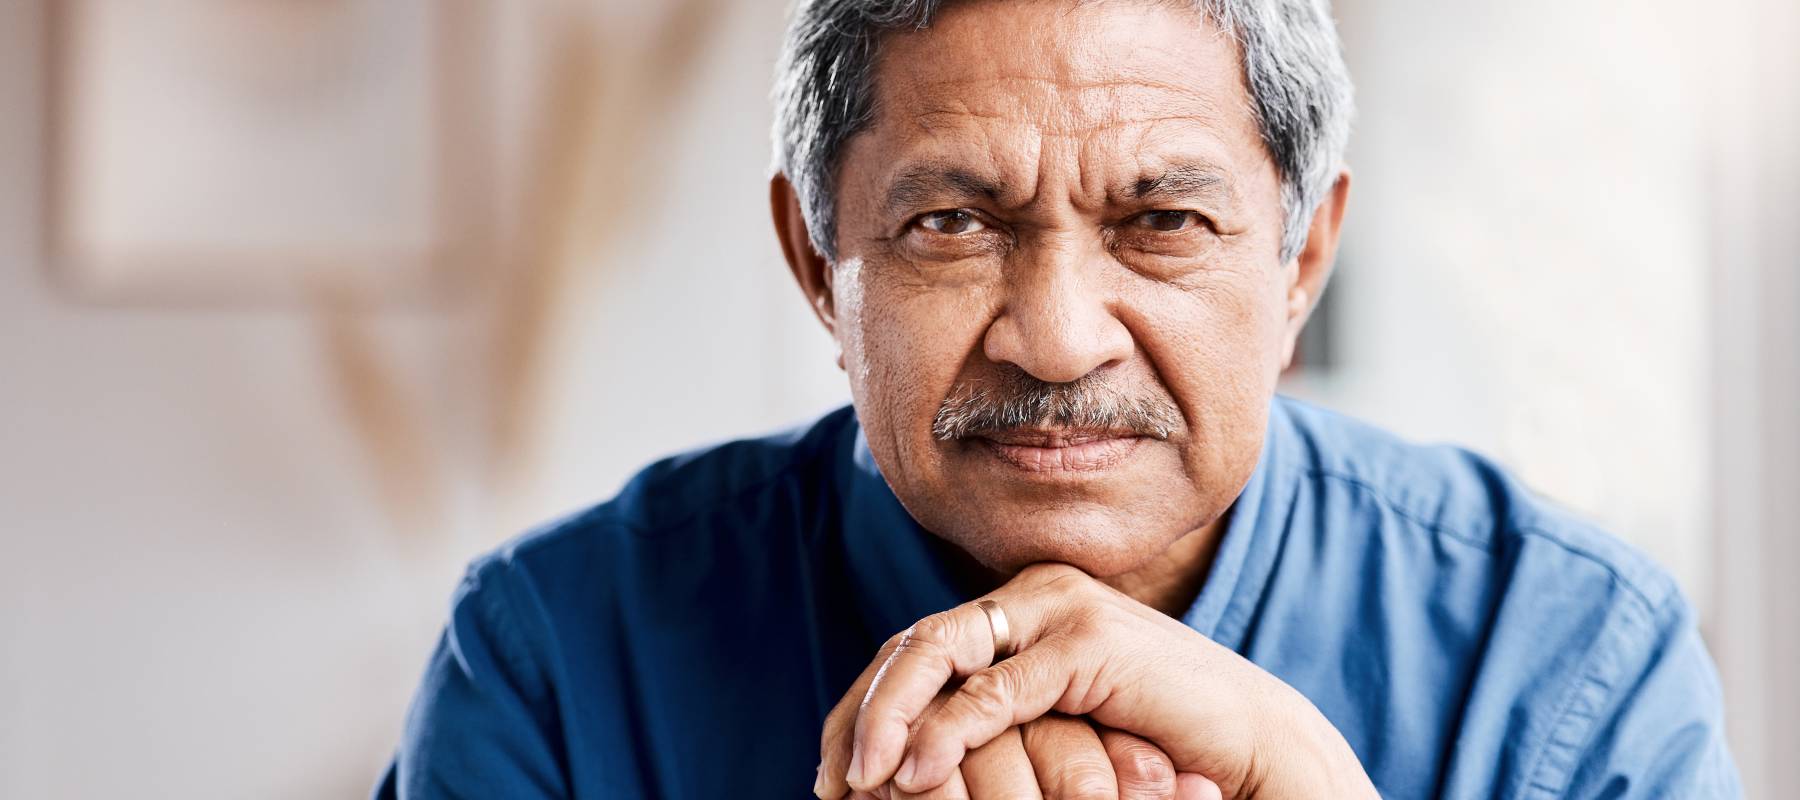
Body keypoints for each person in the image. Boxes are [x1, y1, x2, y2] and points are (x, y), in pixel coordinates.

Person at [375, 0, 1740, 796]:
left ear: (1300, 260)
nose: (1057, 336)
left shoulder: (1569, 657)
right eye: (956, 222)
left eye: (1163, 222)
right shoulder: (559, 656)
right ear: (818, 264)